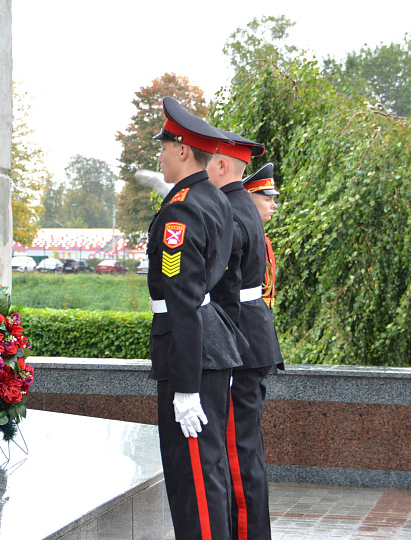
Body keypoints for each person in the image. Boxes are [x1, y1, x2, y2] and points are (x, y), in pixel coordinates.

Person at [147, 96, 243, 540]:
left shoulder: (182, 209)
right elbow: (225, 291)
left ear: (183, 150)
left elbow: (182, 300)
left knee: (194, 485)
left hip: (190, 356)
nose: (160, 155)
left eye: (164, 146)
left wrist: (186, 386)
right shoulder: (217, 200)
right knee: (211, 473)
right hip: (211, 349)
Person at [207, 138, 283, 540]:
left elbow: (223, 288)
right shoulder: (241, 211)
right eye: (267, 196)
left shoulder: (234, 215)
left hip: (242, 343)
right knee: (246, 451)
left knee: (238, 453)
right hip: (254, 340)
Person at [244, 163, 280, 309]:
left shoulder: (262, 237)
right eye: (267, 199)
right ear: (249, 200)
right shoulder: (246, 237)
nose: (274, 205)